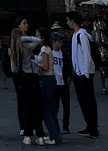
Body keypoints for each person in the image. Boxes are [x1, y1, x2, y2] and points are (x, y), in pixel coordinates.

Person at [9, 17, 44, 145]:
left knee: (26, 108)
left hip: (23, 80)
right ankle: (40, 136)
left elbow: (13, 69)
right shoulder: (28, 47)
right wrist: (25, 38)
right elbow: (37, 41)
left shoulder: (14, 51)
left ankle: (28, 135)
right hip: (33, 77)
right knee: (36, 106)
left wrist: (18, 39)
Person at [66, 11, 99, 139]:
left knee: (89, 101)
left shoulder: (82, 35)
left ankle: (93, 128)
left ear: (72, 21)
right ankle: (89, 125)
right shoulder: (75, 35)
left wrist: (85, 72)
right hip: (78, 73)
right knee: (83, 101)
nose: (67, 23)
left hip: (84, 73)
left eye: (68, 20)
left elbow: (86, 54)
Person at [35, 27, 61, 146]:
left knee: (46, 110)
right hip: (51, 79)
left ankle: (53, 135)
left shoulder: (45, 49)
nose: (36, 38)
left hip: (46, 79)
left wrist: (35, 63)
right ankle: (55, 135)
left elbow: (45, 66)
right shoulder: (47, 48)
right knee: (50, 109)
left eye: (38, 36)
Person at [51, 29, 71, 133]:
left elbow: (69, 67)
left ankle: (65, 125)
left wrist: (68, 78)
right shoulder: (50, 54)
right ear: (54, 42)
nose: (60, 44)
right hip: (55, 83)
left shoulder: (64, 55)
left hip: (63, 82)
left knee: (66, 106)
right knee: (55, 105)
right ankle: (55, 124)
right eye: (59, 42)